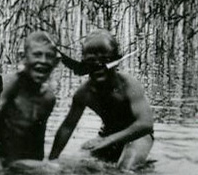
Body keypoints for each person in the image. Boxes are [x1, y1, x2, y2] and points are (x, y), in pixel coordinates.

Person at [49, 29, 154, 167]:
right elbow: (68, 127)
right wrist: (52, 160)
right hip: (107, 135)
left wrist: (108, 140)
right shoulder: (84, 93)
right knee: (80, 163)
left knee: (125, 170)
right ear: (83, 63)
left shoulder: (128, 85)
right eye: (91, 62)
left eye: (105, 60)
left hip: (137, 135)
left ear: (116, 61)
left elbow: (145, 124)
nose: (98, 66)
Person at [0, 31, 59, 170]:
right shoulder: (9, 84)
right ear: (23, 57)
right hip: (5, 164)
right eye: (37, 54)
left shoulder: (48, 98)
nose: (43, 61)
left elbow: (38, 144)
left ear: (56, 62)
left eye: (49, 56)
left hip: (28, 167)